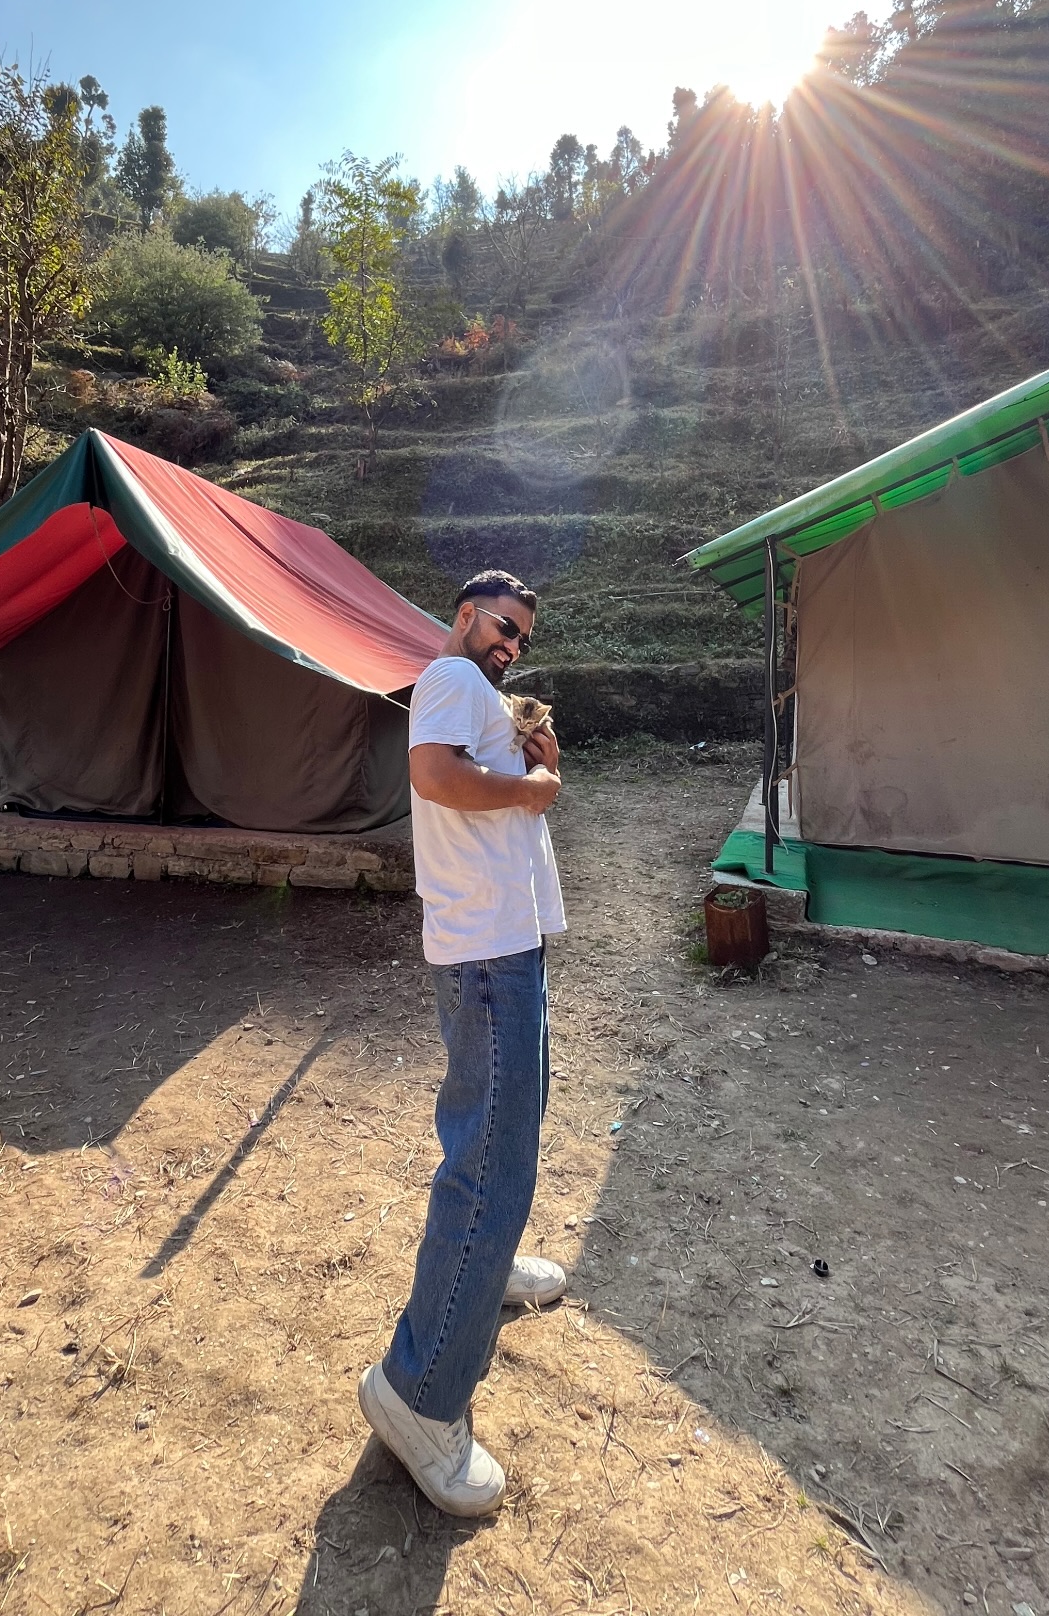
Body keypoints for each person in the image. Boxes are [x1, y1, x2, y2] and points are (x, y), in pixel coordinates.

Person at [358, 569, 567, 1517]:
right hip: (487, 951)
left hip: (502, 943)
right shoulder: (448, 677)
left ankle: (486, 1270)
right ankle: (420, 1392)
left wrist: (538, 768)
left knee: (506, 1142)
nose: (510, 645)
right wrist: (532, 789)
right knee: (488, 1167)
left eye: (521, 638)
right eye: (502, 625)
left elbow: (496, 789)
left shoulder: (479, 696)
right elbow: (435, 776)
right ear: (465, 615)